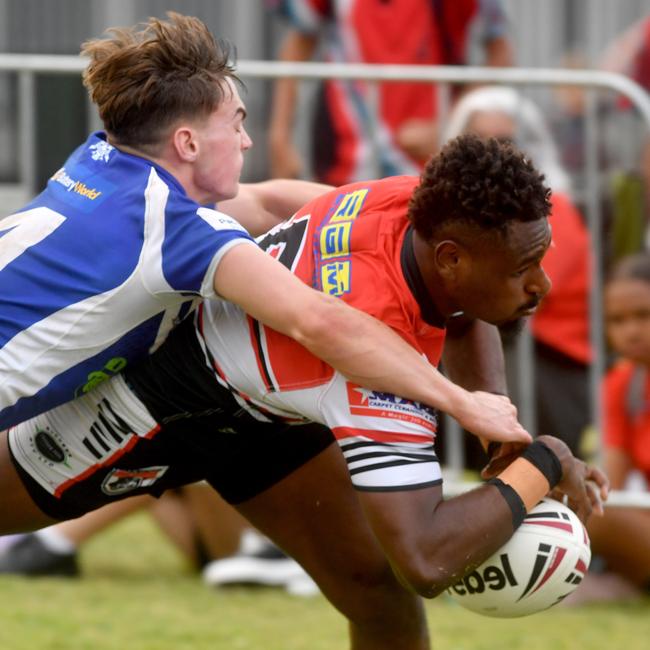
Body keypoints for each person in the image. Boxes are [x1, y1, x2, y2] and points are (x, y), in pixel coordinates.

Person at [2, 135, 607, 649]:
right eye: (523, 268)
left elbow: (462, 310)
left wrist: (497, 436)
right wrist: (543, 460)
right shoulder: (373, 376)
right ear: (450, 260)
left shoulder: (415, 205)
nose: (542, 284)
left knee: (376, 593)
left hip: (267, 409)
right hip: (166, 398)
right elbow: (428, 559)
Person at [0, 12, 528, 442]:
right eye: (237, 123)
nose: (248, 141)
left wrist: (417, 223)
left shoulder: (99, 161)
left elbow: (269, 202)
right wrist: (463, 402)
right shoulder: (179, 233)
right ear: (187, 144)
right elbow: (322, 322)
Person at [442, 85, 592, 457]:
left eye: (506, 140)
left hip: (551, 366)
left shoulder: (558, 209)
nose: (493, 153)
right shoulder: (457, 211)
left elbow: (518, 290)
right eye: (478, 141)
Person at [267, 0, 513, 184]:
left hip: (426, 160)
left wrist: (450, 125)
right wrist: (279, 136)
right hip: (345, 153)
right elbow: (297, 46)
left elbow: (500, 54)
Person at [572, 252, 650, 604]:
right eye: (618, 321)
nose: (631, 331)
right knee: (588, 508)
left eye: (643, 316)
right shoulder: (621, 385)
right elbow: (612, 488)